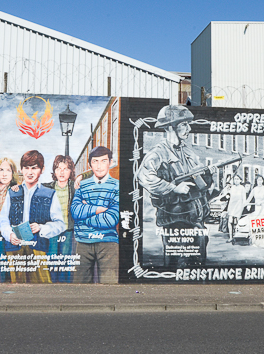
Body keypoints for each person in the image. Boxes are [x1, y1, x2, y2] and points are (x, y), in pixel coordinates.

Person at [137, 105, 217, 267]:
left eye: (188, 124)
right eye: (183, 125)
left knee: (198, 264)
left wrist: (208, 174)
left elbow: (201, 184)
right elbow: (144, 176)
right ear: (170, 128)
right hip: (175, 222)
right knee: (178, 267)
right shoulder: (158, 153)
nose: (188, 129)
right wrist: (173, 188)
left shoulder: (188, 153)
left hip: (196, 220)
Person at [0, 150, 65, 283]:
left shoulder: (49, 194)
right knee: (16, 284)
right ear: (21, 169)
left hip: (38, 247)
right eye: (26, 168)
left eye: (34, 168)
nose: (30, 172)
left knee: (42, 284)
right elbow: (3, 219)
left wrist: (42, 228)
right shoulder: (13, 192)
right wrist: (9, 234)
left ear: (42, 169)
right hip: (14, 247)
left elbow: (60, 224)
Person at [71, 146, 120, 283]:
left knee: (109, 286)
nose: (99, 166)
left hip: (108, 243)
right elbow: (75, 212)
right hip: (83, 242)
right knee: (80, 288)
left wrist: (85, 215)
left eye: (103, 161)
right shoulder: (82, 185)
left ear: (110, 162)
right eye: (95, 161)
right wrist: (100, 209)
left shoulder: (117, 186)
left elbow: (111, 219)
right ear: (90, 164)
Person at [43, 155, 82, 283]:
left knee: (65, 258)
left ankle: (65, 284)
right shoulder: (47, 187)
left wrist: (81, 177)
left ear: (71, 171)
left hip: (67, 229)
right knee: (52, 257)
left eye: (65, 169)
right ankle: (52, 284)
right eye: (59, 168)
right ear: (54, 171)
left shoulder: (73, 187)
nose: (61, 172)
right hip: (52, 229)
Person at [226, 174, 247, 243]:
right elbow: (228, 196)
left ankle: (236, 236)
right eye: (235, 179)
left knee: (236, 221)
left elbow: (244, 199)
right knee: (230, 221)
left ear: (240, 180)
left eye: (238, 179)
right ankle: (231, 237)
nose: (236, 180)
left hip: (239, 206)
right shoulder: (232, 188)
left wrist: (244, 206)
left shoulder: (242, 188)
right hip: (232, 206)